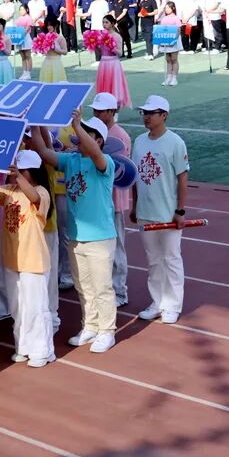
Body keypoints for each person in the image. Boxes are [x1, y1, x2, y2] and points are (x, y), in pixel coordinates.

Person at [30, 109, 118, 354]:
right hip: (77, 236)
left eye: (86, 133)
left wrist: (77, 125)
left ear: (97, 140)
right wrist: (35, 123)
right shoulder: (71, 160)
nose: (78, 136)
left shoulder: (104, 163)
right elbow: (44, 152)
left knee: (102, 286)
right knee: (84, 285)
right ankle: (90, 325)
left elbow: (96, 154)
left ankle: (107, 330)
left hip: (100, 237)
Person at [0, 150, 55, 367]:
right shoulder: (10, 191)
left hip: (34, 260)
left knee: (36, 307)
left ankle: (42, 350)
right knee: (18, 307)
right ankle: (24, 346)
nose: (14, 175)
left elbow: (34, 198)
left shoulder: (41, 192)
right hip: (12, 260)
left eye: (21, 171)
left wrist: (17, 177)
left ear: (31, 172)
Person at [131, 95, 189, 325]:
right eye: (144, 113)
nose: (146, 117)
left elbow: (182, 178)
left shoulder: (176, 143)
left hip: (167, 213)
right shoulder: (139, 141)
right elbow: (136, 176)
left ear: (164, 115)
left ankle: (173, 305)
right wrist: (135, 205)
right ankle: (157, 302)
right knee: (154, 261)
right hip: (145, 212)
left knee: (171, 259)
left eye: (150, 113)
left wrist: (180, 211)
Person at [90, 92, 130, 307]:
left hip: (114, 199)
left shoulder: (118, 136)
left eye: (100, 110)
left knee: (116, 248)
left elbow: (120, 170)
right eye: (95, 110)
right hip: (101, 199)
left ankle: (120, 291)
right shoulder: (99, 132)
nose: (96, 113)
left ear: (112, 112)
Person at [95, 15, 131, 107]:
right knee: (104, 87)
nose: (104, 24)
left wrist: (112, 47)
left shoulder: (117, 36)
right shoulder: (101, 35)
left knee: (115, 88)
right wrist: (96, 46)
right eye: (103, 22)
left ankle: (115, 113)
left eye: (107, 22)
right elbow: (101, 51)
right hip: (103, 63)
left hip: (113, 63)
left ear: (112, 24)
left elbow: (120, 53)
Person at [15, 3, 34, 79]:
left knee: (27, 56)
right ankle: (24, 72)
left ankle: (28, 73)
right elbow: (16, 27)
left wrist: (22, 35)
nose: (21, 11)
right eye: (20, 10)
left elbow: (27, 28)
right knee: (22, 56)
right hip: (19, 38)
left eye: (23, 9)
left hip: (26, 38)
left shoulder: (28, 18)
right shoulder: (19, 18)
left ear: (27, 10)